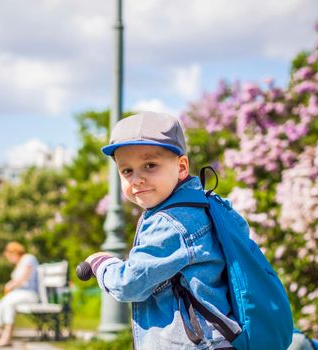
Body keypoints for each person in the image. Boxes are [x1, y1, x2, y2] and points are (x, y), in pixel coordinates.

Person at [86, 111, 239, 349]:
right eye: (127, 171)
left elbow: (131, 283)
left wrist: (102, 264)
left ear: (181, 167)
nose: (137, 179)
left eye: (150, 165)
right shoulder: (206, 205)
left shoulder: (170, 222)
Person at [0, 241, 39, 348]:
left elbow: (24, 278)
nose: (9, 260)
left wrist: (10, 285)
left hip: (29, 294)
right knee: (0, 304)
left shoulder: (28, 258)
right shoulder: (19, 263)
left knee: (8, 302)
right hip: (19, 294)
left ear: (14, 252)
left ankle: (7, 335)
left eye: (9, 256)